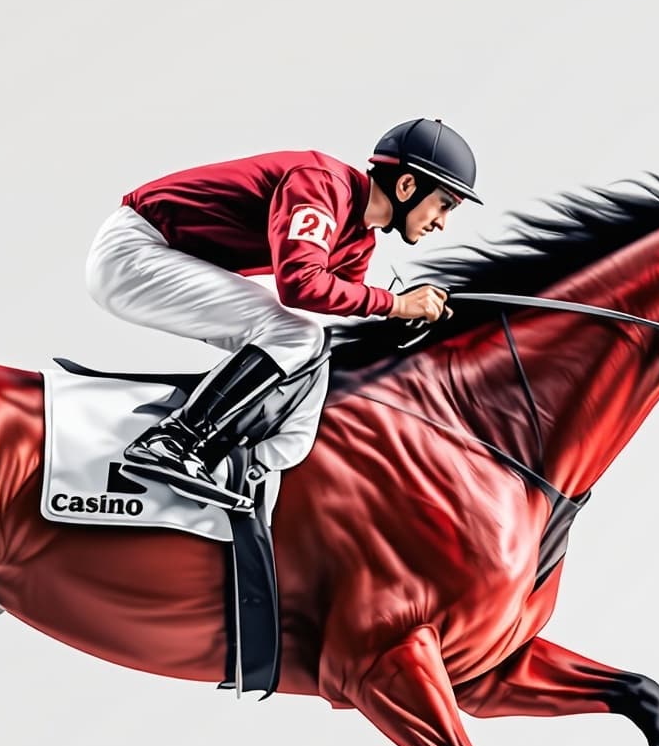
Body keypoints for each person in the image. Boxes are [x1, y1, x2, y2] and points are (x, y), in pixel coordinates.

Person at [85, 117, 482, 507]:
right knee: (298, 334)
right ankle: (172, 441)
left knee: (312, 345)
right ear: (408, 184)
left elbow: (339, 305)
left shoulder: (359, 243)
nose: (443, 223)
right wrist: (395, 304)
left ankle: (248, 464)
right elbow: (301, 286)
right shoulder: (323, 183)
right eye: (444, 204)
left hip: (170, 257)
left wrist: (410, 316)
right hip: (136, 250)